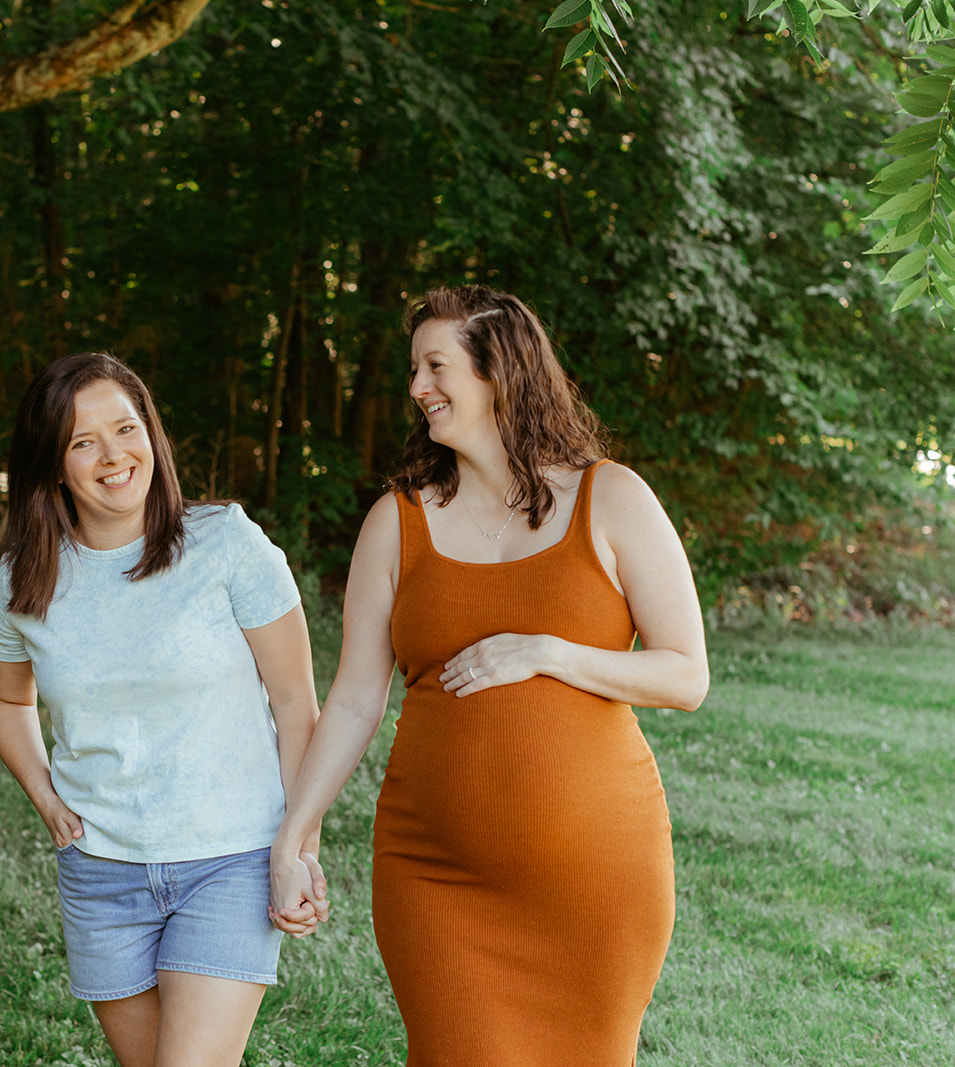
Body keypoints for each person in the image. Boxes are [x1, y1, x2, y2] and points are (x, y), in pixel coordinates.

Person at [268, 286, 710, 1066]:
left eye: (435, 365)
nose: (415, 388)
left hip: (596, 875)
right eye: (413, 369)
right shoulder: (395, 521)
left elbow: (685, 675)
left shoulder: (611, 498)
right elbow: (355, 699)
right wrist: (293, 833)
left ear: (499, 371)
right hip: (436, 872)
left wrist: (548, 650)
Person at [0, 351, 323, 1067]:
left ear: (153, 437)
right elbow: (7, 697)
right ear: (52, 464)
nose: (114, 455)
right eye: (83, 441)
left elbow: (297, 706)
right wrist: (42, 792)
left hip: (227, 859)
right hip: (100, 871)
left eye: (126, 428)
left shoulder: (227, 543)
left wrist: (299, 847)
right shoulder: (21, 579)